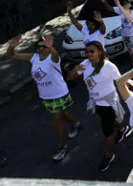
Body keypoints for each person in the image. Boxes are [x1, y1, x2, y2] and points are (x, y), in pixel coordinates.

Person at [7, 34, 81, 162]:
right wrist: (11, 46)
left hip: (59, 93)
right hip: (46, 96)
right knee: (61, 114)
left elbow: (56, 55)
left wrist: (51, 47)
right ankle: (75, 123)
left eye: (44, 46)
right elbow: (11, 55)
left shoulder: (53, 58)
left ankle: (62, 147)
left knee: (57, 120)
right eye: (39, 47)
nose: (41, 49)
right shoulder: (34, 58)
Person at [67, 41, 129, 171]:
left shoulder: (108, 67)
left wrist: (132, 97)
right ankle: (122, 128)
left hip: (108, 102)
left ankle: (108, 155)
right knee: (109, 122)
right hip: (95, 102)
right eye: (87, 51)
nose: (88, 54)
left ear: (99, 52)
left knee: (107, 130)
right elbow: (70, 78)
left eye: (92, 51)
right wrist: (74, 70)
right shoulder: (84, 65)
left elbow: (122, 81)